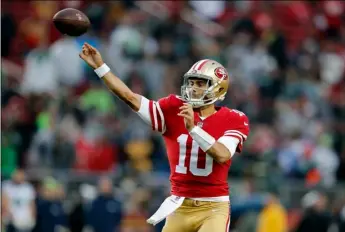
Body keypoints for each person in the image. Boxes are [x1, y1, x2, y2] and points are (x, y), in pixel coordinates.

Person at [79, 43, 250, 232]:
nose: (193, 88)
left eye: (200, 83)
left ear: (218, 89)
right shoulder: (174, 108)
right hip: (179, 205)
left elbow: (223, 154)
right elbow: (130, 97)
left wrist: (194, 130)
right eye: (192, 82)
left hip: (213, 207)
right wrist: (101, 68)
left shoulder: (234, 118)